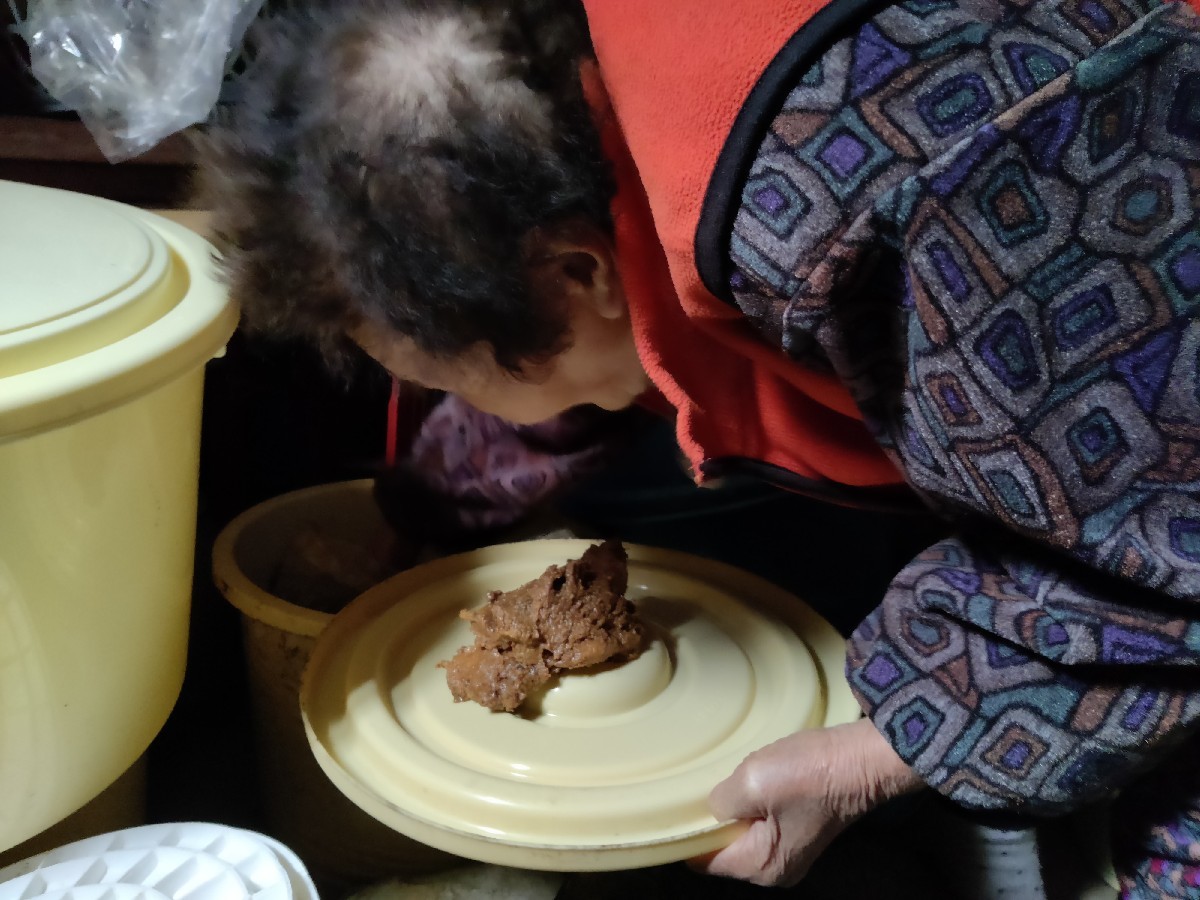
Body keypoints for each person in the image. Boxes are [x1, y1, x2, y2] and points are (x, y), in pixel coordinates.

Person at [195, 0, 1200, 896]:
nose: (467, 407)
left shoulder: (918, 196)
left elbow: (1166, 550)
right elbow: (573, 373)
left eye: (450, 381)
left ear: (575, 273)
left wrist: (882, 753)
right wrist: (414, 515)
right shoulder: (576, 100)